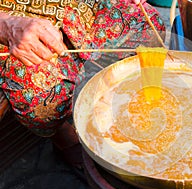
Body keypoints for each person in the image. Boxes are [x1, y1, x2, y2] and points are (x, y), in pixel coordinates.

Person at [0, 0, 165, 167]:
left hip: (70, 6)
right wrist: (7, 26)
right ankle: (63, 133)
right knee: (42, 94)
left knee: (145, 24)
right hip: (12, 24)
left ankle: (116, 102)